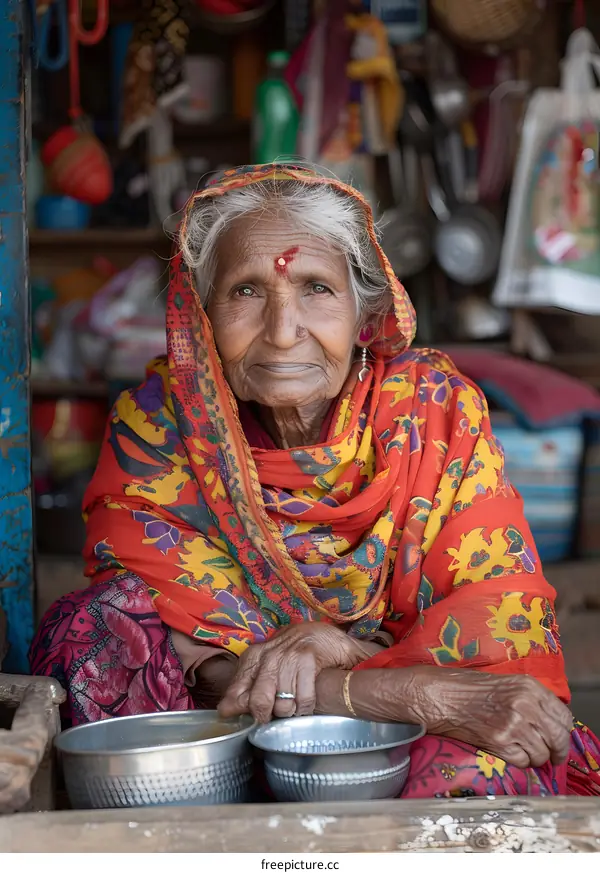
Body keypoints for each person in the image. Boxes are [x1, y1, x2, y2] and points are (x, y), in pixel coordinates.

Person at [30, 164, 600, 798]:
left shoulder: (434, 410)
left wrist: (343, 653)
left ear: (364, 311)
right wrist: (363, 686)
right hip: (222, 732)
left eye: (317, 289)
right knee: (89, 630)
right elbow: (169, 647)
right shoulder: (159, 424)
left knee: (478, 771)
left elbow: (495, 623)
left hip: (399, 738)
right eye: (245, 292)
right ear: (203, 315)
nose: (281, 332)